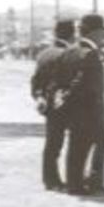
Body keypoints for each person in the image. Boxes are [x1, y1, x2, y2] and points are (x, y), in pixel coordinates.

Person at [61, 14, 104, 196]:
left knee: (77, 146)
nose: (103, 37)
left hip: (75, 110)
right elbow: (90, 86)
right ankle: (91, 183)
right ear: (95, 33)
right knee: (101, 143)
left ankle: (75, 183)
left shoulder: (70, 51)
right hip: (91, 109)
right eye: (101, 33)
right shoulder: (90, 54)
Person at [30, 18, 76, 191]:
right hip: (68, 102)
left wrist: (39, 97)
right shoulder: (71, 53)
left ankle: (50, 180)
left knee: (52, 143)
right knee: (74, 142)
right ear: (72, 33)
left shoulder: (44, 54)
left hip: (50, 102)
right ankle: (71, 180)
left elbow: (36, 81)